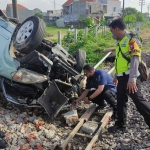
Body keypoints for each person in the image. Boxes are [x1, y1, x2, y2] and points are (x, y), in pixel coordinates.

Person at [109, 18, 150, 130]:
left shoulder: (131, 40)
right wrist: (116, 76)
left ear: (117, 29)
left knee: (138, 101)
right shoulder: (120, 41)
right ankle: (120, 125)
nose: (112, 34)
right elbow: (120, 60)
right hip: (122, 78)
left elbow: (135, 59)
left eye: (112, 31)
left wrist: (132, 79)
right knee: (121, 100)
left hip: (130, 77)